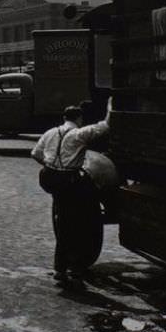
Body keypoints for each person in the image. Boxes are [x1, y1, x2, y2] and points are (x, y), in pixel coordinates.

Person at [32, 100, 111, 287]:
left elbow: (35, 153)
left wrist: (51, 164)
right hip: (69, 182)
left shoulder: (50, 132)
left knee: (62, 222)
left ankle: (60, 268)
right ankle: (73, 269)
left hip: (50, 179)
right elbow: (105, 126)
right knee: (74, 225)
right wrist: (109, 106)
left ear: (64, 117)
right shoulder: (79, 134)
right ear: (79, 118)